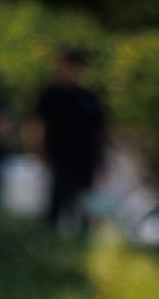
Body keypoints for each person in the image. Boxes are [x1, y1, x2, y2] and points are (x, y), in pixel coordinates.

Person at [32, 47, 106, 232]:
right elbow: (38, 126)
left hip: (85, 156)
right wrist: (40, 152)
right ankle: (50, 234)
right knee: (57, 198)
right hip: (59, 154)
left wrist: (101, 159)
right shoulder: (50, 95)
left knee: (84, 200)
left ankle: (83, 234)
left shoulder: (88, 97)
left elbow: (100, 130)